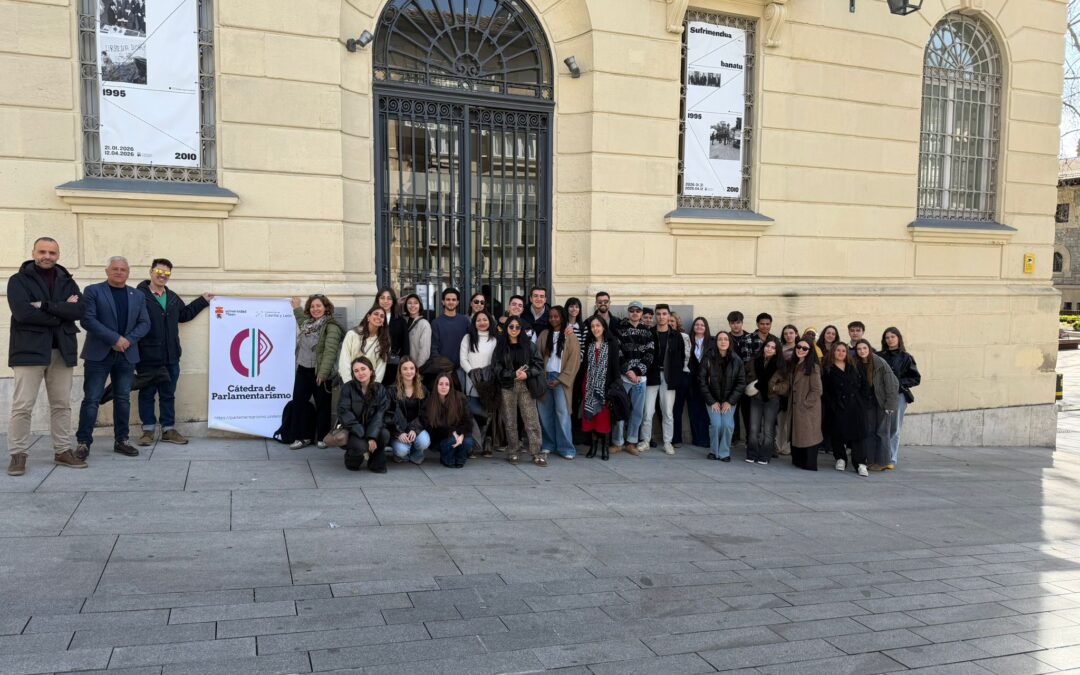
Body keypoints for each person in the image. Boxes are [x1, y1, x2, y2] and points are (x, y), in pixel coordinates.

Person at [7, 237, 87, 475]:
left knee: (62, 405)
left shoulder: (67, 280)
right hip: (28, 351)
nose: (47, 256)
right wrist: (60, 310)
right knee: (22, 406)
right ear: (33, 253)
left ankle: (62, 451)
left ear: (58, 255)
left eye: (52, 252)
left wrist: (43, 305)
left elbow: (79, 310)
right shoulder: (18, 280)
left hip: (61, 350)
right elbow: (22, 313)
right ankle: (18, 454)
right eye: (42, 251)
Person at [75, 256, 150, 459]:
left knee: (123, 399)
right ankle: (83, 443)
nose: (119, 272)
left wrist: (127, 340)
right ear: (107, 271)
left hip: (127, 355)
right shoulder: (93, 291)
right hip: (98, 355)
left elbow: (145, 323)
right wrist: (115, 339)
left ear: (128, 272)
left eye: (123, 269)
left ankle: (122, 441)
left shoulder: (137, 295)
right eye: (115, 269)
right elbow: (87, 319)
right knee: (92, 399)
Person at [133, 259, 212, 446]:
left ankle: (168, 429)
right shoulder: (137, 296)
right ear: (151, 272)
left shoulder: (173, 297)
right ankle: (148, 431)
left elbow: (184, 315)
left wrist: (203, 301)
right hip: (147, 358)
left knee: (168, 394)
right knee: (147, 394)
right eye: (159, 271)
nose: (162, 276)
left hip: (171, 357)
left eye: (167, 273)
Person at [287, 294, 344, 450]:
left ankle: (323, 438)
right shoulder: (308, 324)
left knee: (323, 406)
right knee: (298, 404)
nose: (315, 309)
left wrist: (323, 374)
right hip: (303, 370)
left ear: (326, 308)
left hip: (321, 373)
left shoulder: (332, 326)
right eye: (312, 306)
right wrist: (296, 307)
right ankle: (301, 437)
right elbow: (300, 320)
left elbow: (330, 352)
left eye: (319, 306)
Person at [492, 316, 545, 466]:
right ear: (506, 328)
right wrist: (513, 374)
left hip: (526, 386)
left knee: (531, 420)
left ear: (521, 329)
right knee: (509, 420)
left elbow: (539, 364)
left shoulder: (529, 345)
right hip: (507, 386)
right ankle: (513, 451)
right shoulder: (501, 346)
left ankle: (537, 453)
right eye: (511, 326)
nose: (514, 329)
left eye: (517, 327)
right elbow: (496, 368)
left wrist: (526, 374)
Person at [537, 305, 580, 460]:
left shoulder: (570, 336)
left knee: (562, 413)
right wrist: (542, 376)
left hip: (562, 379)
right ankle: (549, 444)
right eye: (551, 316)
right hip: (545, 376)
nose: (553, 319)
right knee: (545, 413)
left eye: (556, 316)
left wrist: (561, 379)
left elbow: (574, 361)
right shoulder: (544, 334)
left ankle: (566, 447)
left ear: (562, 317)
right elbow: (538, 357)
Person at [610, 301, 654, 456]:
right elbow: (617, 353)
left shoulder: (648, 333)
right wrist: (628, 371)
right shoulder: (619, 330)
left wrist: (637, 372)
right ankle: (617, 442)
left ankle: (632, 441)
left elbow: (649, 356)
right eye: (632, 310)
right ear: (628, 312)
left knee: (637, 412)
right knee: (619, 409)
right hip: (623, 378)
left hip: (640, 379)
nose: (635, 313)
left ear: (642, 313)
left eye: (638, 311)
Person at [641, 304, 686, 455]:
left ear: (668, 316)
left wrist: (675, 377)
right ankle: (645, 441)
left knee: (667, 412)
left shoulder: (676, 336)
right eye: (658, 314)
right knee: (648, 411)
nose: (661, 317)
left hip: (668, 377)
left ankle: (668, 442)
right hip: (651, 376)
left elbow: (680, 358)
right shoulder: (649, 333)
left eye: (664, 314)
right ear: (655, 316)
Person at [822, 343, 870, 477]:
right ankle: (840, 458)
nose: (841, 353)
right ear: (833, 352)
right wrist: (832, 405)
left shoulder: (854, 366)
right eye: (838, 350)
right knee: (837, 433)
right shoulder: (827, 369)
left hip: (855, 406)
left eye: (844, 351)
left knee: (858, 436)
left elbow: (864, 385)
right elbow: (825, 391)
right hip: (837, 406)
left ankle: (860, 463)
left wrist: (863, 402)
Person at [698, 331, 745, 462]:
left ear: (729, 342)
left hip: (729, 401)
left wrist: (730, 402)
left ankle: (724, 452)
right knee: (716, 424)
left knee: (727, 425)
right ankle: (714, 451)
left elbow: (741, 383)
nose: (723, 342)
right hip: (712, 400)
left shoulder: (737, 360)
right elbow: (701, 381)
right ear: (716, 342)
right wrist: (712, 401)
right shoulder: (708, 358)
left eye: (726, 339)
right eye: (720, 339)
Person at [338, 356, 390, 473]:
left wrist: (371, 436)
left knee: (384, 434)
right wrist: (364, 435)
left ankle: (375, 463)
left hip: (372, 428)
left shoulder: (380, 389)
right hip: (354, 430)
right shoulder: (348, 388)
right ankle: (351, 460)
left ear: (371, 371)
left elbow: (379, 415)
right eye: (356, 371)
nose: (360, 373)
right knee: (361, 446)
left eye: (363, 369)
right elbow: (344, 412)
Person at [854, 338, 899, 472]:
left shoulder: (879, 362)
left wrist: (890, 405)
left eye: (864, 348)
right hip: (868, 404)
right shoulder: (857, 363)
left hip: (881, 403)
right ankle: (872, 460)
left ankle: (884, 461)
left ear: (869, 349)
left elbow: (892, 384)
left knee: (882, 432)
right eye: (859, 349)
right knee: (869, 432)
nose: (862, 351)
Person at [878, 327, 919, 470]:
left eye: (892, 337)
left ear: (898, 338)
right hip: (881, 395)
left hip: (898, 395)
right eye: (887, 337)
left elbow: (915, 378)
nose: (890, 340)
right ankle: (879, 456)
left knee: (894, 428)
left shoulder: (906, 357)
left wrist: (898, 385)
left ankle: (891, 458)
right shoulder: (879, 355)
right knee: (881, 427)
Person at [581, 316, 620, 460]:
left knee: (603, 419)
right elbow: (584, 366)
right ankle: (593, 446)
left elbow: (615, 367)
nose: (595, 329)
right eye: (592, 326)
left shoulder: (612, 343)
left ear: (603, 327)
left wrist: (614, 386)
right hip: (589, 385)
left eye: (598, 325)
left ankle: (605, 448)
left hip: (604, 387)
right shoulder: (589, 343)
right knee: (591, 418)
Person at [747, 337, 785, 465]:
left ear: (776, 351)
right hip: (756, 398)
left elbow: (786, 385)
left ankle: (765, 455)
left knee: (768, 429)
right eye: (767, 346)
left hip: (772, 399)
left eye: (773, 347)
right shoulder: (754, 361)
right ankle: (752, 453)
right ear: (763, 347)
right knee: (753, 428)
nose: (769, 349)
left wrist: (775, 388)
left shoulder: (780, 365)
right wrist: (750, 385)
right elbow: (746, 375)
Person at [425, 372, 475, 467]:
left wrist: (462, 435)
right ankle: (446, 458)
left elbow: (468, 420)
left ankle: (460, 458)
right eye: (441, 384)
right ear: (436, 385)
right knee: (451, 441)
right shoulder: (430, 401)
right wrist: (453, 433)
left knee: (468, 442)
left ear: (451, 386)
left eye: (447, 384)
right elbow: (432, 427)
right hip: (441, 437)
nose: (444, 387)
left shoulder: (460, 398)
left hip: (459, 433)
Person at [789, 338, 823, 471]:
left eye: (805, 348)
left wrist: (805, 403)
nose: (801, 350)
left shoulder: (813, 367)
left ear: (810, 351)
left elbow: (817, 390)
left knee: (809, 436)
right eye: (799, 347)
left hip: (808, 409)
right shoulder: (795, 364)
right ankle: (799, 461)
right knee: (799, 434)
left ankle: (809, 464)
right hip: (796, 406)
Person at [388, 357, 430, 464]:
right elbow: (389, 415)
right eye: (405, 369)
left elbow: (426, 414)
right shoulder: (391, 390)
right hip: (399, 430)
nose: (409, 371)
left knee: (424, 441)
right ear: (400, 372)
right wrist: (399, 433)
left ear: (416, 371)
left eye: (412, 368)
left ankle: (416, 452)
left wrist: (414, 429)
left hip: (415, 428)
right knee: (402, 451)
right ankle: (401, 453)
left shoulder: (423, 390)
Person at [459, 310, 498, 418]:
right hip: (472, 384)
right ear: (474, 323)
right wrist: (473, 374)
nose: (482, 322)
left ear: (490, 321)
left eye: (485, 319)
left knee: (488, 416)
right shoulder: (467, 338)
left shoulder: (495, 340)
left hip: (490, 385)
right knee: (474, 415)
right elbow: (463, 359)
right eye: (478, 320)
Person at [339, 306, 389, 384]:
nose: (379, 317)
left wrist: (374, 386)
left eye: (382, 316)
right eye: (376, 314)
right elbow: (344, 359)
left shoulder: (384, 341)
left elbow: (380, 368)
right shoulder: (352, 334)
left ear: (383, 322)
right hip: (351, 380)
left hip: (370, 384)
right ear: (368, 317)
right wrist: (348, 384)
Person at [727, 311, 754, 446]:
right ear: (729, 324)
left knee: (748, 411)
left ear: (742, 323)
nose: (735, 326)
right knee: (733, 410)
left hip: (747, 379)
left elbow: (754, 358)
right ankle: (734, 438)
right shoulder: (726, 338)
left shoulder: (750, 338)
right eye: (733, 323)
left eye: (738, 322)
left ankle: (750, 438)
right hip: (731, 380)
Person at [685, 316, 711, 448]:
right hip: (691, 382)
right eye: (697, 324)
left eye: (702, 325)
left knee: (705, 412)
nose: (699, 327)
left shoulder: (711, 343)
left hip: (707, 383)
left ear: (706, 328)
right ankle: (696, 438)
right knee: (693, 411)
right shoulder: (688, 341)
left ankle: (705, 439)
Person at [566, 297, 589, 444]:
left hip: (579, 368)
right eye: (571, 306)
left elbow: (583, 348)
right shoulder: (564, 325)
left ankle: (575, 433)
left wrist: (577, 363)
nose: (574, 309)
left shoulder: (583, 327)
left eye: (577, 307)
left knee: (576, 400)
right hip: (566, 368)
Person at [375, 287, 408, 386]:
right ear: (377, 300)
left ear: (393, 301)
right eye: (382, 298)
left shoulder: (401, 321)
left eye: (389, 298)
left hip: (393, 366)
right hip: (373, 364)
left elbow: (405, 345)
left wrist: (404, 366)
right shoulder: (370, 317)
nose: (385, 301)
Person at [431, 287, 470, 370]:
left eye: (453, 300)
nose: (451, 302)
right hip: (443, 369)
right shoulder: (436, 323)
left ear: (457, 302)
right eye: (448, 299)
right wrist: (442, 365)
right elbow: (434, 348)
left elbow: (471, 342)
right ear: (443, 302)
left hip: (463, 367)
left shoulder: (465, 321)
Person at [776, 324, 800, 456]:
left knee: (795, 418)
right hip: (782, 387)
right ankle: (781, 446)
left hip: (797, 386)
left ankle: (792, 446)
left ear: (796, 334)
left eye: (791, 333)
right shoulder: (779, 349)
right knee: (781, 418)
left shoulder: (801, 348)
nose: (788, 335)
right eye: (785, 333)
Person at [670, 312, 693, 448]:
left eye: (673, 321)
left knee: (677, 408)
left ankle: (676, 438)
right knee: (669, 409)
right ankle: (670, 436)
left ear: (677, 323)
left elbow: (686, 355)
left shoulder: (684, 337)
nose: (670, 323)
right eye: (668, 321)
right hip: (667, 376)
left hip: (682, 374)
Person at [403, 293, 431, 369]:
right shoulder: (403, 321)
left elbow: (424, 351)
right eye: (409, 303)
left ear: (420, 305)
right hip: (402, 367)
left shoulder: (424, 324)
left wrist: (417, 369)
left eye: (416, 303)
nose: (412, 305)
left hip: (415, 368)